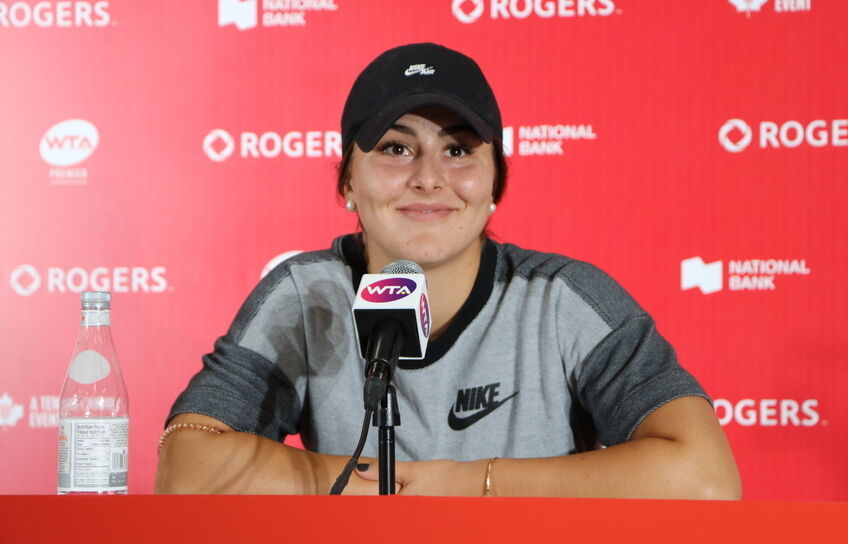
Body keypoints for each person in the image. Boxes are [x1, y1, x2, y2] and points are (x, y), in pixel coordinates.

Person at [155, 43, 741, 498]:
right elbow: (188, 465)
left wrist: (470, 484)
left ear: (494, 186)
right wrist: (397, 486)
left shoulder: (563, 299)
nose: (429, 177)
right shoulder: (305, 295)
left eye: (458, 150)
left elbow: (705, 479)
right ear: (347, 184)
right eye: (395, 147)